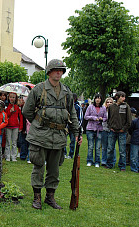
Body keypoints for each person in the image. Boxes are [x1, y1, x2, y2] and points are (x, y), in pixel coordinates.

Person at [22, 59, 82, 210]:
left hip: (59, 136)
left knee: (54, 170)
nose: (58, 72)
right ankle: (37, 197)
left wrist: (76, 132)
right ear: (49, 72)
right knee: (38, 166)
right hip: (40, 136)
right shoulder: (39, 89)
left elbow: (72, 114)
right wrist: (38, 123)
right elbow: (27, 111)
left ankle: (50, 197)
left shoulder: (67, 91)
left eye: (61, 70)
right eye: (56, 70)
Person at [105, 91, 132, 171]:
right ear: (117, 97)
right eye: (122, 96)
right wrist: (110, 127)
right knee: (110, 149)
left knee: (122, 150)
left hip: (122, 132)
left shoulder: (126, 106)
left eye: (124, 97)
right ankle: (109, 164)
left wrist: (123, 129)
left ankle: (122, 166)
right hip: (112, 131)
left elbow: (129, 121)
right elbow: (109, 118)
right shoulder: (111, 107)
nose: (124, 98)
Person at [84, 93, 107, 167]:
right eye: (97, 98)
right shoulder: (90, 107)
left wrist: (101, 119)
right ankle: (89, 160)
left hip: (99, 129)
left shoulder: (103, 108)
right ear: (94, 99)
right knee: (90, 146)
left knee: (97, 147)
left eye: (99, 98)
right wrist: (93, 117)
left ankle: (97, 161)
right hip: (90, 128)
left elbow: (105, 118)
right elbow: (86, 117)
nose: (98, 99)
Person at [5, 92, 23, 161]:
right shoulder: (7, 107)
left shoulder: (17, 107)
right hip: (8, 126)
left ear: (15, 98)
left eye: (13, 97)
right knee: (8, 142)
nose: (12, 99)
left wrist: (20, 127)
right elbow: (6, 116)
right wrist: (10, 111)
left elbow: (20, 117)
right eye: (10, 97)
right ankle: (7, 156)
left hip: (16, 126)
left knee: (14, 142)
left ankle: (13, 156)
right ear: (8, 98)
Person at [64, 93, 83, 159]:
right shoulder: (66, 106)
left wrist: (77, 127)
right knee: (64, 140)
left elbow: (80, 118)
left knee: (73, 141)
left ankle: (71, 154)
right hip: (66, 126)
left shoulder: (78, 107)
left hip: (73, 127)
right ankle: (64, 153)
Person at [128, 107, 139, 173]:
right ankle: (134, 168)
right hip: (135, 141)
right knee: (134, 156)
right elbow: (130, 130)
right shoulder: (135, 121)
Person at [101, 97, 115, 166]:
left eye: (110, 102)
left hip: (112, 130)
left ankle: (112, 161)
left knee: (111, 147)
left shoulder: (114, 110)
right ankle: (103, 161)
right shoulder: (104, 110)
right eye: (107, 102)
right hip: (104, 129)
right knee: (104, 146)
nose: (109, 103)